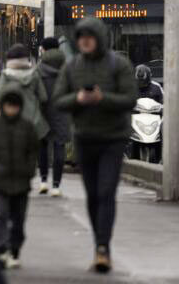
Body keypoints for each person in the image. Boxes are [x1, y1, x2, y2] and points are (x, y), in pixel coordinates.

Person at [53, 17, 137, 274]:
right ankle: (99, 244)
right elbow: (58, 100)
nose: (85, 41)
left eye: (90, 36)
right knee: (92, 196)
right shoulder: (71, 67)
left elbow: (130, 98)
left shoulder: (118, 64)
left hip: (113, 138)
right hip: (85, 138)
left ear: (99, 38)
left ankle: (103, 248)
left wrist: (103, 98)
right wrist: (78, 99)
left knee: (106, 192)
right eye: (81, 37)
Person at [0, 88, 40, 270]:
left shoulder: (27, 126)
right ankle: (0, 248)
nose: (11, 110)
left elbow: (33, 152)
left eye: (14, 106)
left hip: (21, 182)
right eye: (8, 106)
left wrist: (29, 170)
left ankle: (14, 248)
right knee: (0, 215)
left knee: (18, 219)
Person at [36, 37, 70, 196]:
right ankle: (56, 185)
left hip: (42, 111)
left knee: (42, 146)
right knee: (59, 146)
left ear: (44, 49)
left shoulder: (39, 68)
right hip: (62, 112)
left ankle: (43, 181)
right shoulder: (67, 67)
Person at [0, 44, 50, 145]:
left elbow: (0, 97)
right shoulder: (34, 74)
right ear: (26, 59)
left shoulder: (5, 75)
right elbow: (43, 97)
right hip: (34, 123)